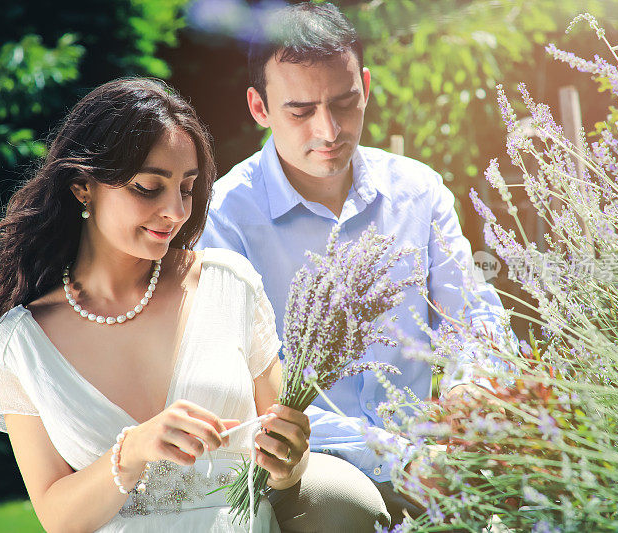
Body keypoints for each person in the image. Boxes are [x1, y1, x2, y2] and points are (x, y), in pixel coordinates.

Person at [196, 1, 511, 525]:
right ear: (259, 108)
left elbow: (475, 314)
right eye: (300, 111)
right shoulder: (225, 218)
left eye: (345, 102)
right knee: (346, 507)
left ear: (364, 85)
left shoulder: (419, 191)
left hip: (434, 455)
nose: (329, 130)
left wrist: (469, 390)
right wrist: (401, 459)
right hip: (306, 469)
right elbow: (247, 398)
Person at [0, 78, 312, 532]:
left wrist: (291, 462)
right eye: (149, 187)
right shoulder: (20, 344)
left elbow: (284, 466)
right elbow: (56, 518)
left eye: (187, 188)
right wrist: (130, 452)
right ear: (82, 187)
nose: (176, 211)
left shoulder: (229, 286)